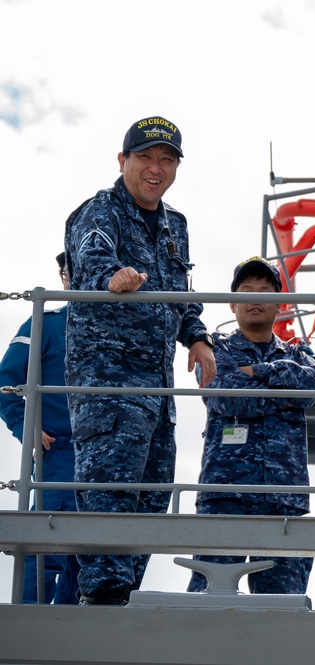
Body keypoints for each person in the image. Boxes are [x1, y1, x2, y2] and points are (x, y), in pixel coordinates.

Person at [63, 115, 216, 606]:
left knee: (151, 497)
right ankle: (102, 601)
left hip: (156, 389)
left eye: (166, 159)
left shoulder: (176, 225)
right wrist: (112, 278)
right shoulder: (98, 212)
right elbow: (90, 261)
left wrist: (196, 337)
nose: (156, 168)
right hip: (108, 385)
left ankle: (122, 596)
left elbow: (181, 293)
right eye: (146, 157)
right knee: (108, 491)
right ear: (122, 161)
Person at [186, 257, 315, 595]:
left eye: (265, 291)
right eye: (246, 291)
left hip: (285, 498)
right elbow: (229, 399)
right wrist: (284, 392)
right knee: (206, 605)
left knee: (282, 607)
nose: (255, 299)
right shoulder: (214, 349)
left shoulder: (298, 351)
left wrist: (259, 373)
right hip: (225, 496)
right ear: (232, 302)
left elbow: (313, 383)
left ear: (280, 303)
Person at [0, 253, 81, 604]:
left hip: (117, 461)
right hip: (60, 456)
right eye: (70, 271)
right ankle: (32, 647)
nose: (76, 278)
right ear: (62, 278)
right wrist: (26, 428)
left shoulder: (123, 334)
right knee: (43, 557)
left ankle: (80, 647)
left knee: (96, 562)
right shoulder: (43, 325)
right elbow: (5, 383)